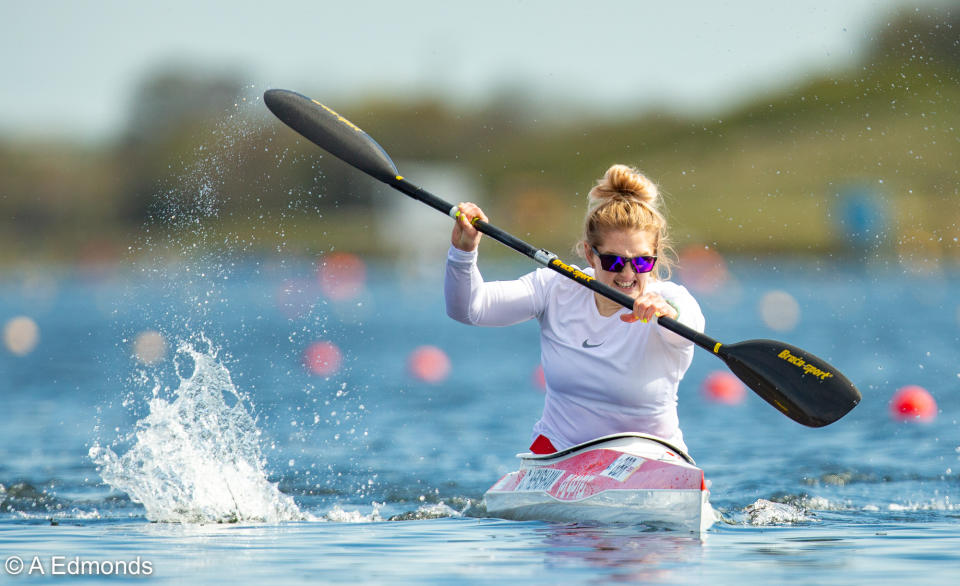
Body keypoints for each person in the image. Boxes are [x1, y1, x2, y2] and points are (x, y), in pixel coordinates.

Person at [444, 164, 705, 455]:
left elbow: (690, 327)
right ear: (589, 255)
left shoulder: (671, 300)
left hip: (651, 458)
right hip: (558, 455)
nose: (629, 273)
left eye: (643, 262)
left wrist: (670, 313)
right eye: (614, 262)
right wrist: (463, 251)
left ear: (655, 257)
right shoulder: (556, 287)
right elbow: (469, 309)